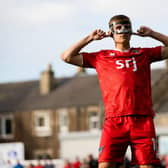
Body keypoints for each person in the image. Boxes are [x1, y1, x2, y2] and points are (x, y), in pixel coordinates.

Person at [61, 14, 168, 168]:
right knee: (105, 165)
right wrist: (89, 38)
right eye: (119, 28)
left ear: (131, 32)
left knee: (148, 165)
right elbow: (67, 56)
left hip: (142, 120)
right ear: (111, 32)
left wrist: (152, 34)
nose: (123, 30)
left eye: (127, 27)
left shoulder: (143, 54)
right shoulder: (101, 57)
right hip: (114, 121)